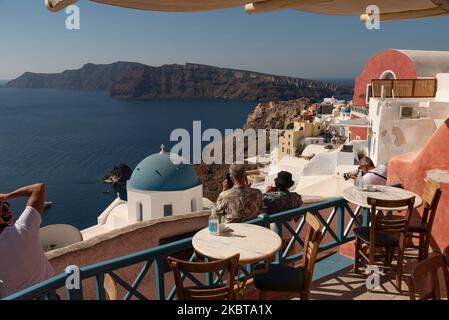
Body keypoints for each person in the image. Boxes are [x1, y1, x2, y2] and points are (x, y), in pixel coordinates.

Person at [0, 183, 54, 298]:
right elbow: (38, 188)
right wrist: (5, 196)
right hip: (46, 294)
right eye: (3, 207)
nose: (7, 209)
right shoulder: (23, 230)